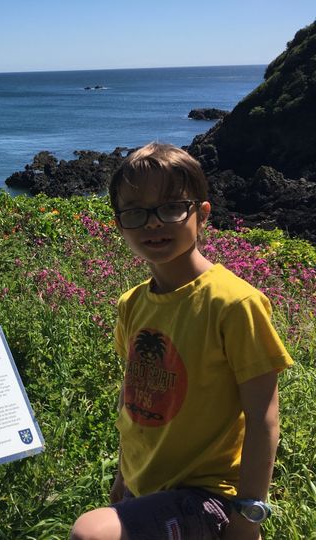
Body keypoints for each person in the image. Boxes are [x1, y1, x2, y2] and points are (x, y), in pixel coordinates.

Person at [70, 143, 292, 540]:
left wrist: (248, 514)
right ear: (120, 224)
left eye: (171, 207)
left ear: (202, 214)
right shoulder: (132, 303)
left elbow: (264, 420)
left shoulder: (235, 303)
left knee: (90, 532)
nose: (153, 224)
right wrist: (124, 476)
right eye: (136, 212)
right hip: (145, 487)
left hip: (210, 497)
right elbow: (133, 399)